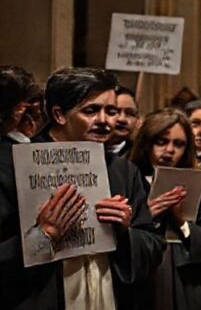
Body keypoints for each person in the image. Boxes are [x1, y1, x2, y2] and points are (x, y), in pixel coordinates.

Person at [0, 67, 163, 309]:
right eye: (91, 110)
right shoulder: (15, 166)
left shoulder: (123, 171)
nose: (106, 121)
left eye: (111, 111)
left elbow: (153, 247)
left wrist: (123, 232)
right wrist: (42, 235)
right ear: (59, 114)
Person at [129, 108, 201, 310]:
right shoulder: (129, 180)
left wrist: (181, 222)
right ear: (147, 144)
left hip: (183, 276)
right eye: (161, 142)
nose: (169, 150)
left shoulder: (199, 184)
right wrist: (146, 216)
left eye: (178, 144)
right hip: (143, 277)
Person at [108, 85, 141, 157]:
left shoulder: (140, 156)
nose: (122, 119)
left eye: (130, 114)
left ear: (138, 121)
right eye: (115, 111)